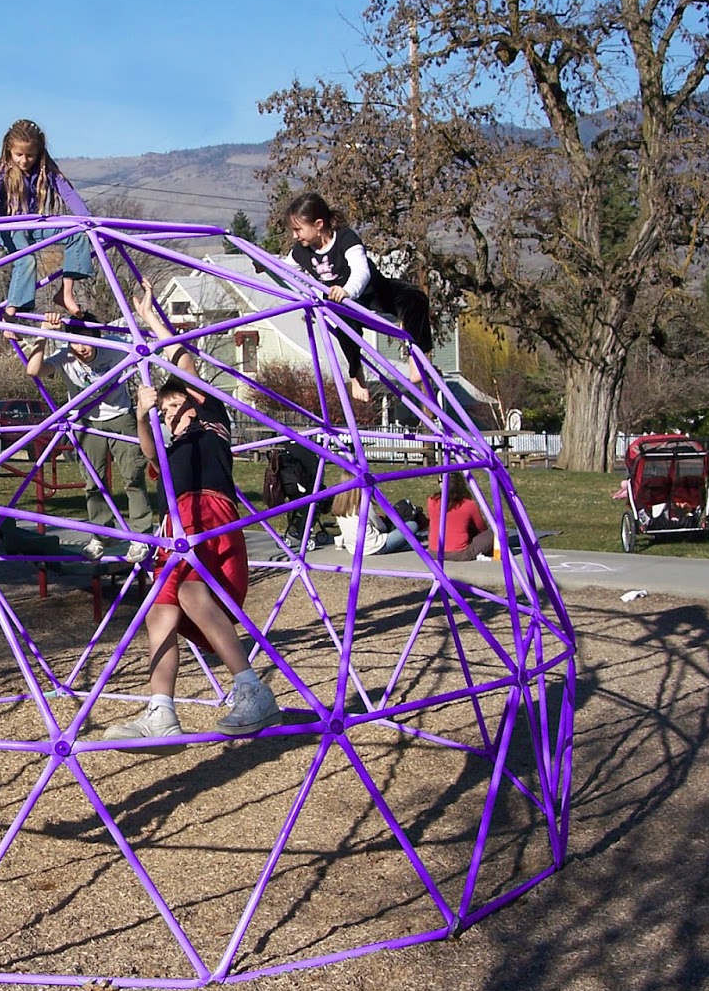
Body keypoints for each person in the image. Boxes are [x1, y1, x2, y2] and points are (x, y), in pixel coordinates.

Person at [103, 283, 281, 741]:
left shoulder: (211, 420)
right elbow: (150, 453)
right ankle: (161, 711)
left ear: (195, 401)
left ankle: (252, 690)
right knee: (158, 611)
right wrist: (142, 416)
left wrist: (151, 321)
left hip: (210, 513)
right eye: (165, 412)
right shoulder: (172, 444)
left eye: (174, 407)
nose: (170, 415)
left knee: (191, 593)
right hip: (177, 524)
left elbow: (183, 362)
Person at [21, 307, 155, 563]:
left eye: (86, 341)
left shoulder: (114, 346)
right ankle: (102, 533)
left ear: (97, 338)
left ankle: (141, 536)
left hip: (120, 416)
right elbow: (33, 370)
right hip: (86, 421)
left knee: (133, 477)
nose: (81, 348)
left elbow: (147, 349)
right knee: (93, 482)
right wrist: (43, 333)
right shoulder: (65, 357)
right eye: (75, 342)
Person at [280, 192, 434, 403]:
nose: (295, 236)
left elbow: (361, 270)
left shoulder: (345, 238)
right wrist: (265, 266)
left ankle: (417, 357)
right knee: (343, 323)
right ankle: (355, 373)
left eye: (298, 229)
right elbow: (285, 271)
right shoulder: (300, 251)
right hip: (343, 304)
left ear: (318, 224)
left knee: (415, 298)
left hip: (374, 291)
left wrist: (348, 290)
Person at [0, 119, 94, 317]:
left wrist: (87, 219)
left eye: (30, 155)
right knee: (27, 258)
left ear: (38, 152)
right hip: (7, 227)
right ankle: (11, 311)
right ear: (9, 150)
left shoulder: (45, 169)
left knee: (77, 235)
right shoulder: (3, 169)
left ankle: (65, 293)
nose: (24, 160)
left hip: (33, 225)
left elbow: (68, 193)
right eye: (18, 155)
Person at [425, 472, 494, 560]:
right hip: (459, 554)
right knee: (494, 532)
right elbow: (482, 528)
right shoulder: (469, 504)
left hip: (434, 552)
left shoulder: (432, 501)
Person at [329, 487, 415, 556]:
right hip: (375, 546)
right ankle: (405, 544)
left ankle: (404, 544)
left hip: (353, 548)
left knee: (404, 540)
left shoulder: (338, 507)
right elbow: (381, 527)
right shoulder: (364, 504)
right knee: (412, 525)